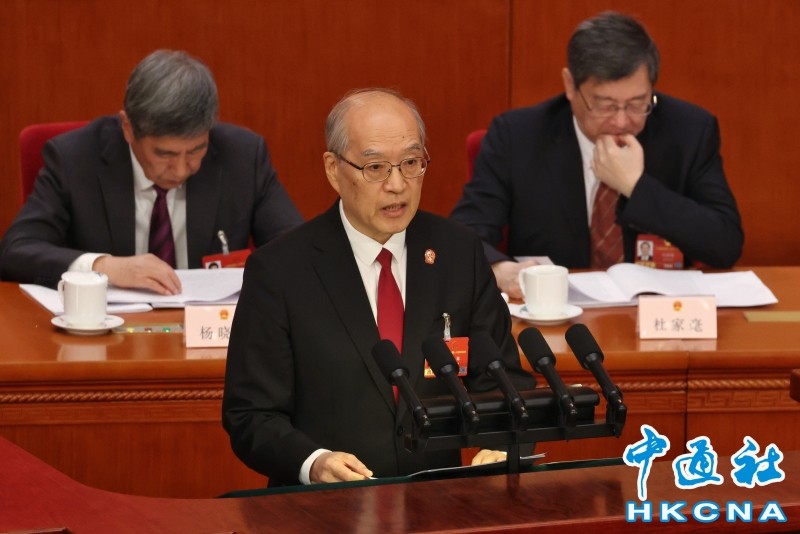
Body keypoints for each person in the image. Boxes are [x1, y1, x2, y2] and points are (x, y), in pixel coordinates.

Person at [222, 88, 535, 486]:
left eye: (411, 163)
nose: (397, 185)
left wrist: (503, 444)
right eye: (375, 168)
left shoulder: (459, 254)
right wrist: (313, 462)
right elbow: (251, 414)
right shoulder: (280, 271)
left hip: (439, 504)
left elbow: (505, 382)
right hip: (325, 508)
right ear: (334, 169)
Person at [450, 11, 743, 299]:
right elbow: (463, 235)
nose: (621, 121)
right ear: (570, 85)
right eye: (605, 105)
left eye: (637, 103)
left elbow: (726, 244)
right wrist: (500, 270)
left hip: (655, 314)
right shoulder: (517, 137)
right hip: (553, 314)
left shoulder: (689, 132)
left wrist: (636, 187)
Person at [0, 50, 302, 295]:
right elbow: (15, 251)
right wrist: (104, 267)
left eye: (196, 150)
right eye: (165, 154)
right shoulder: (75, 159)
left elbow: (297, 251)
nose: (182, 169)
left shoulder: (243, 156)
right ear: (128, 128)